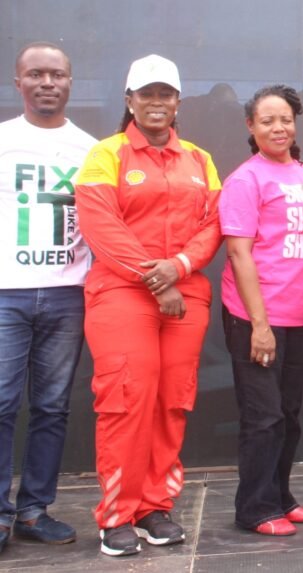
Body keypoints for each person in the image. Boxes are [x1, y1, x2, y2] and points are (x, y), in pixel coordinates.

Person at [76, 54, 222, 556]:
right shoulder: (106, 155)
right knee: (125, 400)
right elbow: (102, 228)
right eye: (146, 94)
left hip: (185, 294)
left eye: (165, 94)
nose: (156, 103)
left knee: (171, 402)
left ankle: (154, 508)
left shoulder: (200, 159)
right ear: (129, 100)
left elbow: (213, 226)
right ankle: (117, 514)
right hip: (122, 294)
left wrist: (178, 268)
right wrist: (155, 279)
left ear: (178, 102)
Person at [0, 41, 96, 553]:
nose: (46, 82)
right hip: (5, 294)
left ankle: (34, 510)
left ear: (69, 82)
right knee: (0, 402)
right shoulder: (2, 140)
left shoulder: (89, 149)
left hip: (66, 295)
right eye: (35, 74)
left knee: (53, 407)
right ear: (18, 82)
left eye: (56, 74)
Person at [220, 85, 303, 535]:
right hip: (256, 318)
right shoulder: (246, 179)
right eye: (267, 121)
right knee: (263, 417)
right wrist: (258, 325)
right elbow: (240, 255)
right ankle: (255, 508)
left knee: (288, 413)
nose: (278, 128)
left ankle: (280, 495)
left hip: (299, 316)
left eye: (284, 119)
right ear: (251, 127)